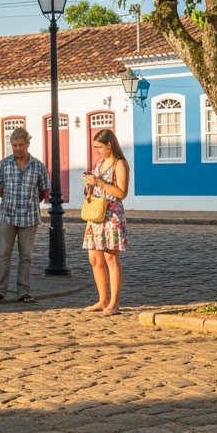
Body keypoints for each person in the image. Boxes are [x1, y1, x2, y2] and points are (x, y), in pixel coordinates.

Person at [0, 127, 50, 303]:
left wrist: (29, 202)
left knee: (26, 256)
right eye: (14, 145)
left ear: (28, 144)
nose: (17, 148)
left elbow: (44, 191)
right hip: (7, 216)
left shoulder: (38, 166)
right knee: (3, 254)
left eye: (20, 145)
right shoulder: (4, 164)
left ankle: (23, 291)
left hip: (29, 217)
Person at [82, 128, 130, 316]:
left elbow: (121, 193)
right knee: (95, 259)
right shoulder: (100, 163)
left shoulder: (119, 164)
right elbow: (95, 188)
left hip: (111, 214)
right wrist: (89, 184)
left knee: (111, 258)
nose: (97, 151)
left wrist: (100, 183)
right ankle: (102, 299)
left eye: (99, 147)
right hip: (96, 214)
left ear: (109, 145)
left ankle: (114, 303)